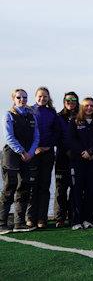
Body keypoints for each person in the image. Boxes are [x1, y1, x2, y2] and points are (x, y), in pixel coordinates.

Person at [1, 89, 39, 233]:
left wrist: (30, 152)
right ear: (13, 99)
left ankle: (19, 223)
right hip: (12, 155)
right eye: (19, 97)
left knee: (24, 187)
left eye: (24, 97)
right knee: (10, 187)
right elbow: (9, 137)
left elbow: (36, 136)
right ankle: (1, 223)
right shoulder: (9, 115)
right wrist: (21, 151)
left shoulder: (31, 116)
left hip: (28, 155)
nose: (22, 100)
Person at [67, 97, 93, 230]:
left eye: (91, 106)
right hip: (77, 161)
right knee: (76, 191)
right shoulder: (74, 121)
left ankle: (88, 219)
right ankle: (76, 220)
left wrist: (91, 152)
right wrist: (83, 152)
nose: (89, 108)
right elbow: (71, 140)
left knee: (91, 191)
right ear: (82, 107)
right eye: (86, 106)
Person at [28, 87, 59, 229]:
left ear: (48, 98)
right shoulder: (29, 111)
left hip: (47, 153)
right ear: (35, 97)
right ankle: (30, 218)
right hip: (32, 154)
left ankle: (42, 218)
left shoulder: (52, 113)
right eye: (40, 96)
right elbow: (26, 132)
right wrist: (35, 148)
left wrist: (48, 146)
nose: (42, 99)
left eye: (45, 96)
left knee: (44, 186)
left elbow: (56, 132)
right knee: (32, 186)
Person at [54, 92, 78, 227]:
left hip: (76, 158)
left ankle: (73, 216)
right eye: (68, 100)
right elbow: (56, 136)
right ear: (64, 101)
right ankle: (60, 218)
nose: (71, 102)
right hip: (62, 157)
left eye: (74, 100)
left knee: (75, 189)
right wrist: (65, 149)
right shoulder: (58, 117)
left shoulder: (80, 117)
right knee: (60, 189)